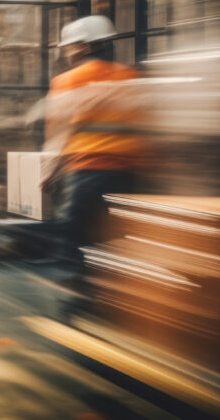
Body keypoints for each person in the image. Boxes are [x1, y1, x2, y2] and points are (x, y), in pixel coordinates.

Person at [44, 15, 145, 301]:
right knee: (115, 232)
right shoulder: (130, 78)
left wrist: (48, 171)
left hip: (86, 170)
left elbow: (59, 133)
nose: (66, 51)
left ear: (83, 47)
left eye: (70, 46)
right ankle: (116, 285)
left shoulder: (67, 81)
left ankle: (79, 286)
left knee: (72, 228)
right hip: (128, 172)